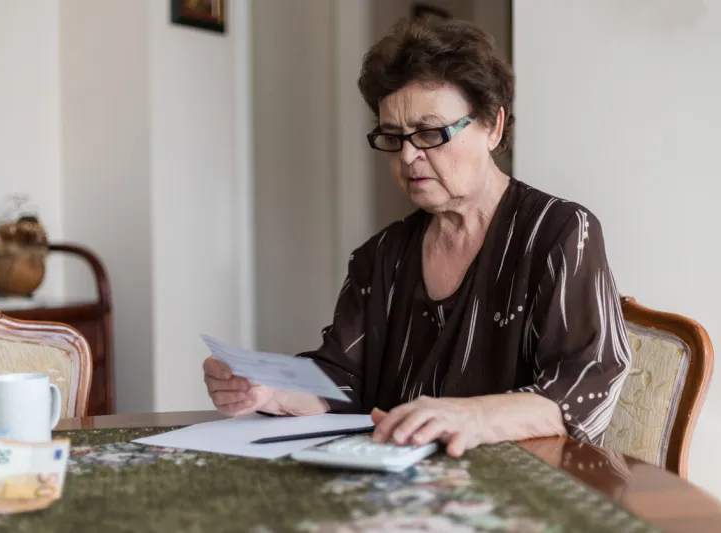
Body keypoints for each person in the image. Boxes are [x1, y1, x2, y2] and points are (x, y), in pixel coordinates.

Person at [203, 18, 632, 456]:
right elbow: (342, 377)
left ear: (492, 126)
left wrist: (472, 416)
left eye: (429, 133)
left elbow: (586, 388)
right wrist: (268, 390)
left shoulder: (559, 232)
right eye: (394, 137)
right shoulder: (381, 256)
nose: (408, 156)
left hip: (523, 481)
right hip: (397, 482)